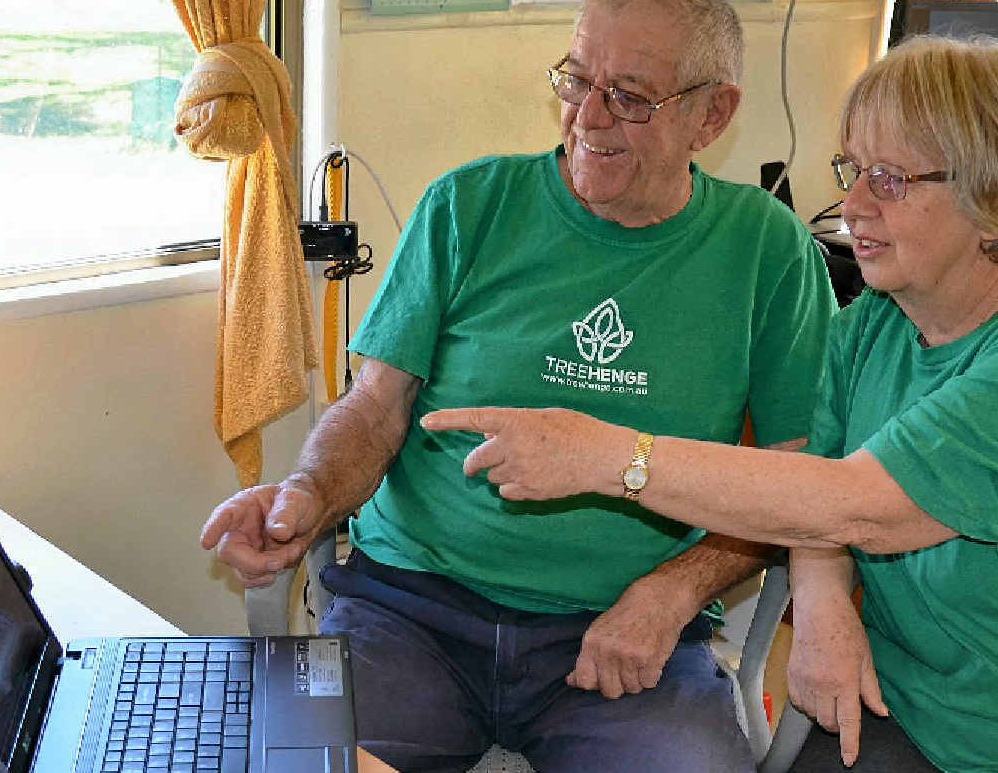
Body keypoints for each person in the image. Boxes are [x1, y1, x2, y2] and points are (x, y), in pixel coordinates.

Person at [201, 0, 837, 769]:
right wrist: (304, 496)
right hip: (411, 611)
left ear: (712, 115)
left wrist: (675, 587)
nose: (588, 119)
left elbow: (798, 477)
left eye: (630, 97)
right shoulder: (467, 207)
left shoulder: (769, 253)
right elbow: (374, 409)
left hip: (620, 636)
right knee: (288, 759)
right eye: (576, 80)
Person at [422, 35, 998, 773]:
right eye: (851, 170)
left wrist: (610, 456)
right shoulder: (869, 326)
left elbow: (856, 502)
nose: (848, 205)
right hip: (898, 703)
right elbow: (813, 489)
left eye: (886, 180)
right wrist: (821, 605)